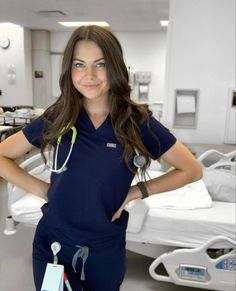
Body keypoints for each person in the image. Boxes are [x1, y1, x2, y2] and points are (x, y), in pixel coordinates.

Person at [0, 25, 202, 291]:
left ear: (115, 67)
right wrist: (42, 189)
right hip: (53, 244)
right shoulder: (59, 116)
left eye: (100, 64)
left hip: (104, 249)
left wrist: (137, 191)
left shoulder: (136, 121)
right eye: (79, 65)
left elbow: (191, 169)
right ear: (69, 70)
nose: (90, 75)